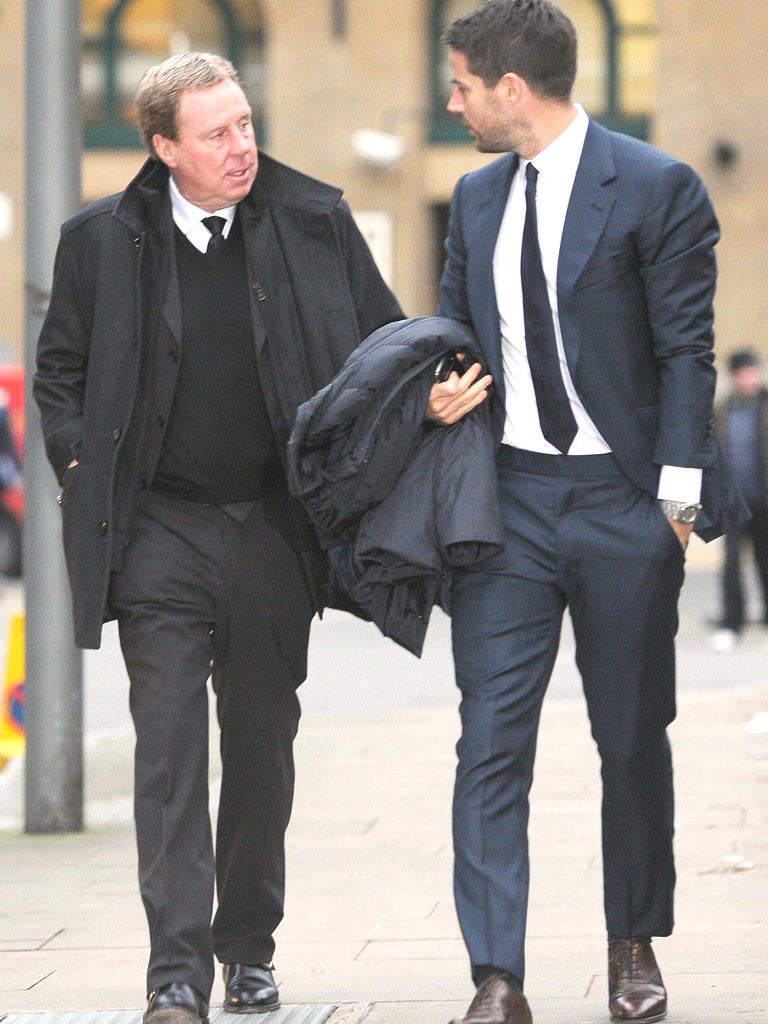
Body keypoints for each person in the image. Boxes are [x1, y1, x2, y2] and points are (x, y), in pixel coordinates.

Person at [34, 52, 402, 1024]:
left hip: (273, 528)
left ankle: (248, 946)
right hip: (157, 527)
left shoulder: (314, 222)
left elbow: (383, 341)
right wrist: (79, 462)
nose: (242, 146)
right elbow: (59, 372)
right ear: (163, 148)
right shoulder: (99, 243)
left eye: (245, 123)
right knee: (166, 747)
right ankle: (175, 973)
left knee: (260, 743)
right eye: (216, 133)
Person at [425, 3, 747, 1023]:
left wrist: (678, 501)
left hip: (622, 504)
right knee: (490, 738)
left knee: (631, 737)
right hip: (509, 503)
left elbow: (685, 350)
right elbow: (460, 333)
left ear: (511, 89)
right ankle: (497, 976)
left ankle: (633, 948)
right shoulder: (475, 199)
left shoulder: (656, 187)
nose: (453, 100)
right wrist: (442, 385)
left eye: (463, 83)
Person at [712, 349, 768, 650]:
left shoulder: (765, 405)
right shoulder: (723, 409)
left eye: (753, 371)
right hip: (734, 501)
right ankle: (732, 621)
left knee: (765, 562)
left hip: (765, 500)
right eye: (744, 373)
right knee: (731, 564)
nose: (749, 378)